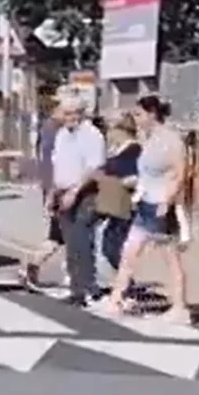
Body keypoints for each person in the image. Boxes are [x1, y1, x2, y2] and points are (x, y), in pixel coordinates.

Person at [107, 95, 190, 323]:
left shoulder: (171, 140)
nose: (136, 119)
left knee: (170, 258)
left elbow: (180, 173)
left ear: (152, 113)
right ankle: (116, 299)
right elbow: (148, 172)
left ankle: (180, 307)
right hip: (145, 204)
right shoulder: (149, 138)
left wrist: (168, 200)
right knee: (129, 252)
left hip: (161, 205)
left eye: (139, 114)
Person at [47, 95, 106, 306]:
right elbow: (58, 165)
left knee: (81, 239)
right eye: (66, 113)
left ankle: (86, 287)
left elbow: (94, 168)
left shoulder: (92, 135)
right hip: (63, 192)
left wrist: (75, 191)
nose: (70, 117)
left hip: (85, 194)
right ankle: (77, 286)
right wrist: (53, 193)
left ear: (82, 113)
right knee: (71, 243)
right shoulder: (62, 134)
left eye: (74, 113)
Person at [19, 97, 68, 291]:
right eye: (66, 111)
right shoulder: (55, 131)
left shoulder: (49, 129)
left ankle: (32, 267)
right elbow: (56, 163)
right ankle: (73, 275)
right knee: (65, 234)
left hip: (52, 187)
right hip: (57, 188)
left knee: (58, 236)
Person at [91, 113, 142, 292]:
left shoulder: (134, 151)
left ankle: (127, 283)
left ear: (120, 130)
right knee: (111, 244)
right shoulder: (119, 150)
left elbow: (136, 177)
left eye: (110, 129)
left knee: (112, 246)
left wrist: (113, 178)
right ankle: (126, 283)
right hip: (117, 206)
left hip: (127, 206)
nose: (108, 133)